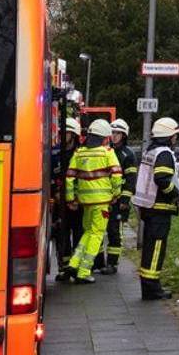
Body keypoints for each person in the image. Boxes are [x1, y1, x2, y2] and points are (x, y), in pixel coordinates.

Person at [64, 119, 123, 284]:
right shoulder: (107, 153)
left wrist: (71, 199)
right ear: (105, 138)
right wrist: (116, 194)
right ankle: (83, 272)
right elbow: (117, 176)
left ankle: (74, 263)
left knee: (88, 232)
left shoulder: (79, 153)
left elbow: (69, 178)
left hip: (85, 202)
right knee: (97, 235)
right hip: (102, 202)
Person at [132, 117, 179, 300]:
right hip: (159, 209)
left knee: (149, 248)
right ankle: (152, 288)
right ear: (169, 136)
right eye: (175, 135)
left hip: (148, 207)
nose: (176, 139)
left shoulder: (151, 151)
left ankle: (149, 285)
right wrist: (174, 194)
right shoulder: (164, 154)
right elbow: (162, 179)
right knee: (156, 249)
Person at [101, 118, 139, 275]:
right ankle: (97, 263)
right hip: (103, 198)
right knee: (98, 231)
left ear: (124, 135)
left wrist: (125, 200)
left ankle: (112, 263)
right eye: (113, 133)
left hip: (119, 200)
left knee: (114, 231)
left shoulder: (128, 154)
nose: (115, 136)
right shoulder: (105, 150)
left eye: (118, 133)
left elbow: (130, 180)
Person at [50, 116, 83, 280]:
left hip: (78, 203)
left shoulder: (82, 153)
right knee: (61, 235)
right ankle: (63, 268)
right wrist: (54, 193)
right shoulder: (55, 152)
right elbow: (48, 174)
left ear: (74, 134)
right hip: (59, 201)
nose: (64, 135)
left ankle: (75, 268)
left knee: (78, 234)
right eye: (62, 132)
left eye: (67, 133)